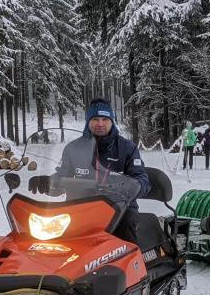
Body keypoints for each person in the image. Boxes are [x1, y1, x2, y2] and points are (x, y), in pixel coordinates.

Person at [45, 99, 150, 244]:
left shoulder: (126, 148)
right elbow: (61, 175)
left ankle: (132, 263)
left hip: (119, 206)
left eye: (105, 119)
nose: (100, 123)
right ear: (88, 121)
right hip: (80, 206)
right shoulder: (73, 148)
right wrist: (48, 183)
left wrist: (134, 186)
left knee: (127, 224)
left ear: (111, 121)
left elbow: (141, 178)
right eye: (95, 119)